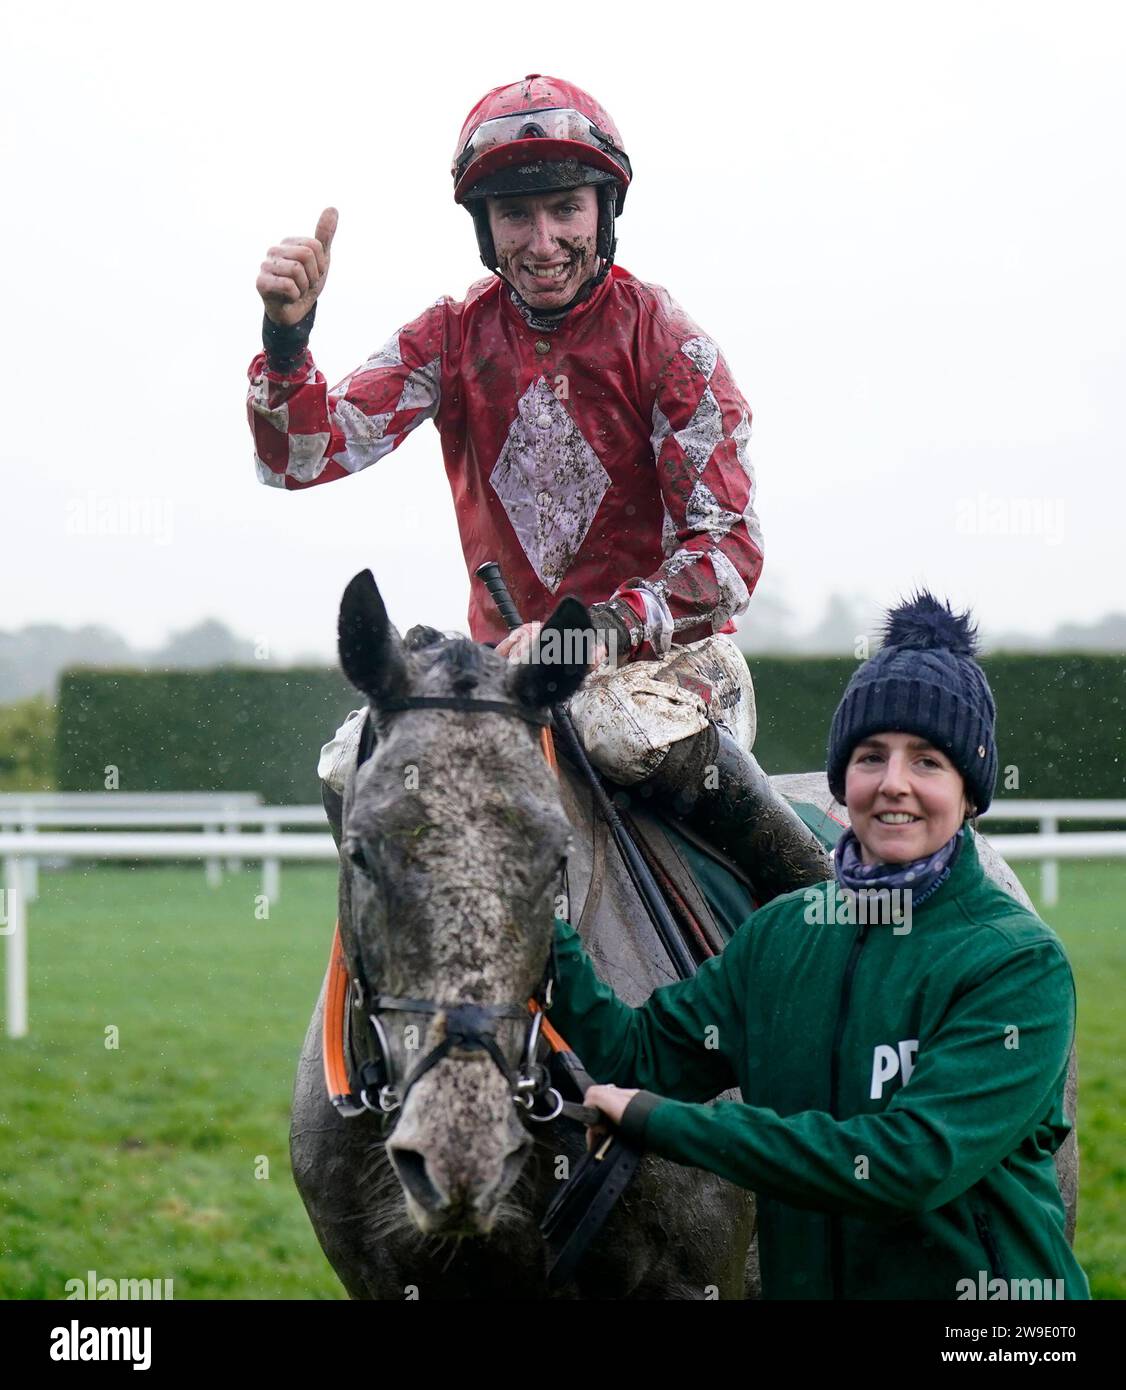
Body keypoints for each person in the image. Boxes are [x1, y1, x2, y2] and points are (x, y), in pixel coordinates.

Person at [246, 73, 828, 894]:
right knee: (352, 759)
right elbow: (300, 458)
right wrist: (285, 343)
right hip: (505, 681)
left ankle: (828, 916)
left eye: (565, 209)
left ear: (604, 212)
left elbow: (727, 551)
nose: (542, 239)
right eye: (516, 214)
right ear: (485, 227)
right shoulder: (448, 337)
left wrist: (592, 633)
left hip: (662, 670)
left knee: (615, 732)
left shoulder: (671, 345)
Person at [547, 592, 1090, 1300]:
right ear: (843, 780)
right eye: (871, 757)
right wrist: (535, 928)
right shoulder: (781, 935)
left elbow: (906, 1166)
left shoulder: (1019, 964)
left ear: (970, 793)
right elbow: (637, 1055)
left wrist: (660, 1121)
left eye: (928, 761)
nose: (894, 784)